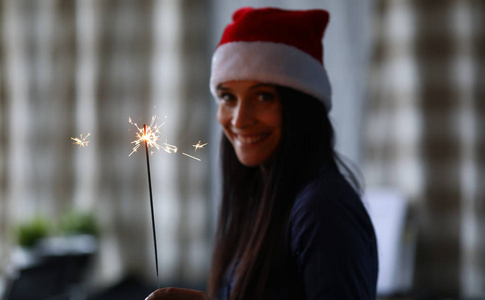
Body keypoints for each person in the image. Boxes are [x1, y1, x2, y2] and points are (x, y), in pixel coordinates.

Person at [146, 7, 378, 300]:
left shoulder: (322, 208)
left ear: (302, 107)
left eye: (263, 96)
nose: (240, 119)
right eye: (228, 97)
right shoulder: (260, 194)